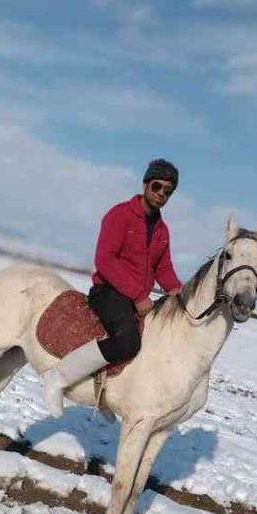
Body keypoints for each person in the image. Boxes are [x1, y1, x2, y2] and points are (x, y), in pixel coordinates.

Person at [42, 159, 182, 410]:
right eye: (157, 186)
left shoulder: (162, 231)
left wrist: (178, 292)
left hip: (136, 298)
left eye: (167, 191)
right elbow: (104, 260)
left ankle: (107, 393)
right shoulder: (120, 215)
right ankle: (57, 377)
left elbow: (163, 268)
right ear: (146, 184)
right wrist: (139, 295)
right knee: (128, 342)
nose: (161, 194)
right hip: (108, 292)